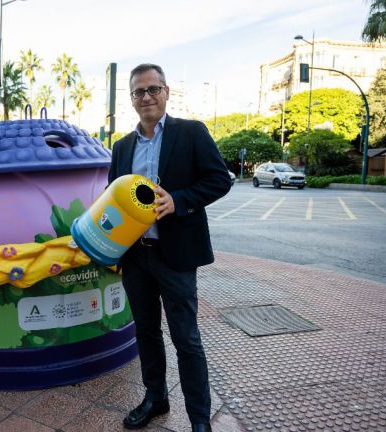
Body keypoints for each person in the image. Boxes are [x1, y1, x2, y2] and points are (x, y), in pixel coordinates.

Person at [108, 64, 231, 432]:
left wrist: (178, 201)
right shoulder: (122, 146)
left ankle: (198, 419)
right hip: (136, 256)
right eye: (138, 92)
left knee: (186, 339)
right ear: (131, 99)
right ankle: (155, 398)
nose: (146, 97)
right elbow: (113, 197)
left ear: (166, 92)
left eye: (153, 89)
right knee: (145, 332)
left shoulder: (190, 133)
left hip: (175, 255)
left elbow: (219, 180)